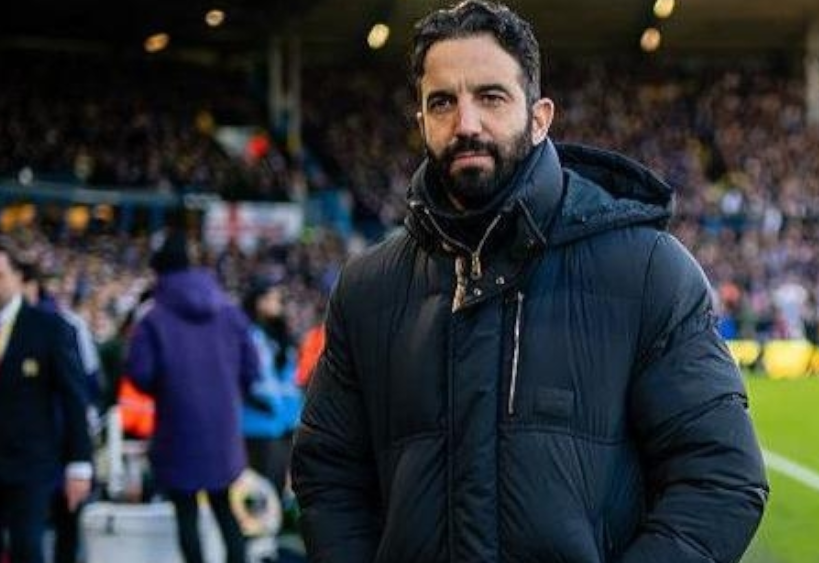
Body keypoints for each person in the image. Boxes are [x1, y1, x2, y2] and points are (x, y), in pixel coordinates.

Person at [290, 2, 768, 562]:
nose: (466, 123)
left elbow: (721, 479)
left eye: (491, 97)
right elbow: (328, 474)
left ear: (540, 117)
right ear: (421, 122)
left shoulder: (647, 270)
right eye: (442, 102)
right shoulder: (368, 288)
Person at [125, 233, 260, 563]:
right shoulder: (228, 310)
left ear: (159, 272)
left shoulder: (153, 317)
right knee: (225, 509)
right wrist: (227, 393)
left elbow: (139, 373)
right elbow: (253, 368)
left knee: (186, 515)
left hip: (177, 428)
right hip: (222, 431)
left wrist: (170, 388)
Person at [0, 245, 92, 563]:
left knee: (27, 545)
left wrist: (80, 462)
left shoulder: (48, 328)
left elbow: (74, 397)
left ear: (18, 278)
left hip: (31, 462)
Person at [21, 263, 103, 563]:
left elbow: (88, 388)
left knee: (64, 527)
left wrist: (80, 456)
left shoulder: (66, 324)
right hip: (24, 449)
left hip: (62, 441)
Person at [240, 280, 301, 501]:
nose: (279, 304)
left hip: (283, 423)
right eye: (273, 299)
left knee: (275, 485)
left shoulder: (279, 337)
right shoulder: (248, 334)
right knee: (258, 489)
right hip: (255, 422)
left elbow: (287, 382)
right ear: (259, 302)